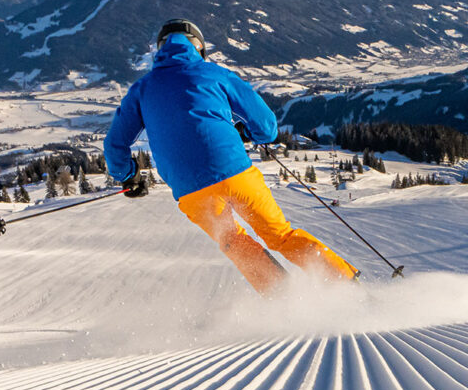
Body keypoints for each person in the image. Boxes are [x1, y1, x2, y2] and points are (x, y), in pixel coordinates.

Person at [104, 19, 358, 295]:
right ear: (199, 48)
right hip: (235, 174)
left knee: (232, 241)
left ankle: (283, 300)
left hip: (191, 191)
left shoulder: (141, 90)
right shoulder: (215, 74)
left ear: (160, 49)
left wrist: (128, 176)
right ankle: (346, 285)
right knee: (280, 235)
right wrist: (248, 132)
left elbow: (115, 144)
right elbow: (267, 127)